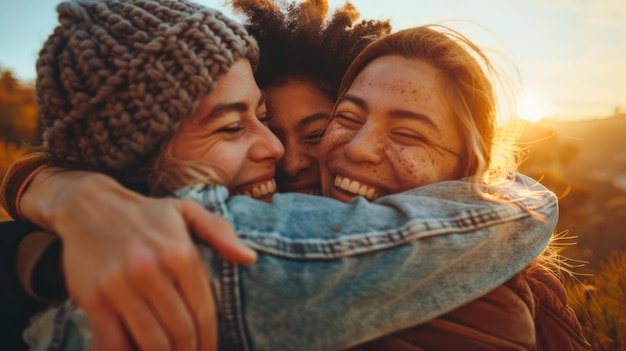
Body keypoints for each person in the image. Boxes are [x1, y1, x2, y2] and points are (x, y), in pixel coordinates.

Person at [0, 1, 581, 351]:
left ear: (466, 166)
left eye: (314, 127)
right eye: (347, 120)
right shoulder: (121, 241)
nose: (283, 153)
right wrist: (66, 195)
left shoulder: (497, 292)